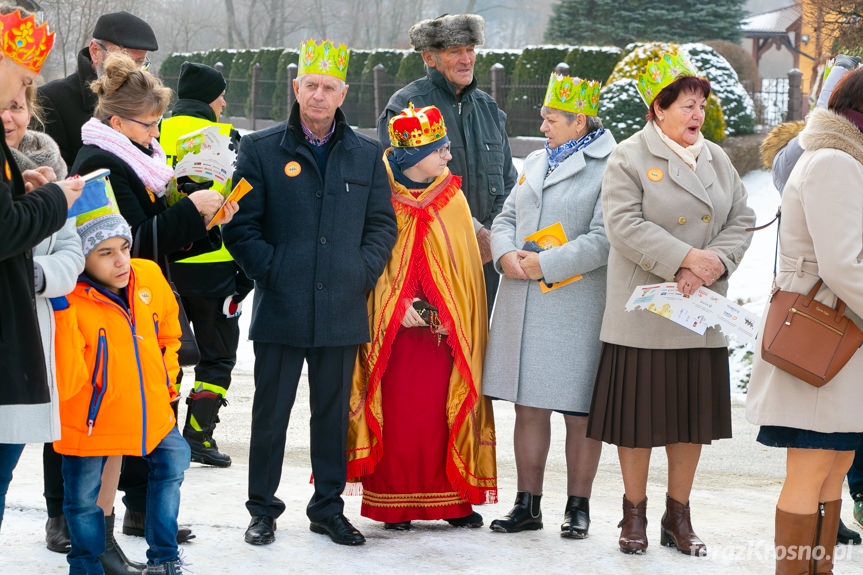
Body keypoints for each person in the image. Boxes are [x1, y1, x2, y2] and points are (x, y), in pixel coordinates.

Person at [223, 39, 397, 547]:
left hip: (342, 307)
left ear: (344, 93)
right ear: (296, 87)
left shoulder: (367, 154)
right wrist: (271, 271)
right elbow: (240, 226)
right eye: (311, 86)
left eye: (329, 88)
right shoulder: (260, 149)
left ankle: (327, 506)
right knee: (270, 414)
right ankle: (263, 509)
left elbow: (382, 226)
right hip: (282, 304)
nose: (319, 96)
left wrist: (360, 272)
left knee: (331, 415)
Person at [585, 51, 754, 556]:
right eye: (685, 104)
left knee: (690, 422)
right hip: (647, 313)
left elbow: (741, 220)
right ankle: (632, 512)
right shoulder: (629, 156)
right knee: (637, 423)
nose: (697, 113)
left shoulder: (717, 158)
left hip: (700, 311)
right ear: (657, 109)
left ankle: (677, 514)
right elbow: (623, 225)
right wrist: (683, 259)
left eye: (701, 103)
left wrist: (713, 264)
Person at [70, 54, 234, 551]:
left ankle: (138, 517)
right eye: (149, 123)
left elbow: (151, 237)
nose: (156, 132)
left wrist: (207, 215)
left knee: (148, 415)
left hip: (141, 304)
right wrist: (188, 211)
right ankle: (97, 534)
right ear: (118, 122)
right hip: (113, 311)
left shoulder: (136, 158)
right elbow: (128, 244)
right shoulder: (103, 162)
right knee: (122, 426)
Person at [346, 105, 497, 530]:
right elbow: (373, 266)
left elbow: (464, 272)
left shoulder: (453, 199)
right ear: (415, 156)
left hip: (443, 340)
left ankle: (453, 502)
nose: (448, 157)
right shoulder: (380, 199)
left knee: (439, 415)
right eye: (441, 150)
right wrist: (397, 308)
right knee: (398, 418)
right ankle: (393, 504)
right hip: (392, 339)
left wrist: (455, 314)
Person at [483, 73, 613, 538]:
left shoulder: (610, 166)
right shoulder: (537, 161)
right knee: (528, 407)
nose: (542, 126)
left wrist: (545, 264)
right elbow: (507, 215)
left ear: (578, 122)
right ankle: (527, 504)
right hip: (524, 299)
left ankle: (578, 507)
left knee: (580, 411)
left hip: (576, 304)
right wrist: (503, 253)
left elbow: (605, 239)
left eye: (550, 118)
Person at [746, 67, 863, 575]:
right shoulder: (835, 162)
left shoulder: (843, 158)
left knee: (833, 469)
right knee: (812, 468)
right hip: (821, 333)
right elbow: (843, 264)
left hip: (837, 336)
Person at [53, 210, 189, 575]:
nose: (121, 261)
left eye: (124, 247)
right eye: (105, 252)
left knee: (173, 462)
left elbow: (168, 336)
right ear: (81, 259)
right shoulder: (69, 301)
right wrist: (61, 309)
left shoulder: (147, 275)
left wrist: (167, 385)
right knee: (83, 503)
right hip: (90, 422)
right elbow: (66, 380)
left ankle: (164, 559)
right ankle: (85, 568)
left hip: (152, 412)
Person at [0, 6, 84, 533]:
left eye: (20, 103)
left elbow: (71, 247)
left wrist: (33, 197)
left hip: (26, 333)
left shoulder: (33, 156)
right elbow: (7, 232)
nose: (10, 115)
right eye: (5, 99)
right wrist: (50, 199)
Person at [377, 13, 517, 315]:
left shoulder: (490, 109)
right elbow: (399, 187)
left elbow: (508, 183)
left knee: (482, 354)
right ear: (430, 57)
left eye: (470, 50)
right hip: (432, 260)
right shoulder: (406, 107)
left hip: (486, 260)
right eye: (455, 51)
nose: (466, 59)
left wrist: (494, 236)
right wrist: (472, 232)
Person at [159, 62, 252, 468]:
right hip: (216, 267)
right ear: (209, 99)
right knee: (217, 356)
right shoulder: (226, 138)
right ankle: (198, 435)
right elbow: (241, 203)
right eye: (221, 96)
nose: (225, 103)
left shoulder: (153, 132)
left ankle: (162, 437)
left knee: (169, 353)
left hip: (164, 262)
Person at [39, 10, 158, 167]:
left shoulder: (145, 105)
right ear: (95, 51)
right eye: (123, 58)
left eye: (139, 61)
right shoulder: (51, 99)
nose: (132, 69)